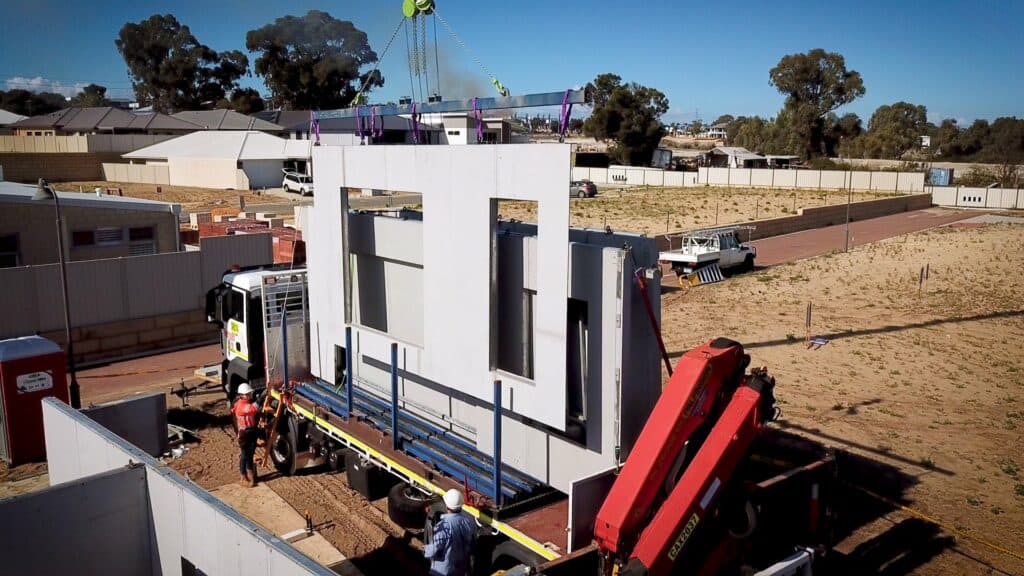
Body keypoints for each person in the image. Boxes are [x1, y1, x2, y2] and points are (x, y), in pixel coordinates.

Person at [424, 488, 477, 576]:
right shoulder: (469, 522)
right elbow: (472, 543)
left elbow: (435, 549)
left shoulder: (443, 526)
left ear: (447, 506)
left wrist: (426, 549)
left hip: (443, 571)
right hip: (460, 569)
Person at [231, 383, 259, 487]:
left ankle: (246, 475)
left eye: (249, 393)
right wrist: (260, 400)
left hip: (248, 432)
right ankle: (246, 475)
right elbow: (253, 409)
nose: (249, 395)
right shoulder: (242, 406)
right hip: (245, 434)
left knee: (247, 455)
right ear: (242, 395)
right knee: (246, 455)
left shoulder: (242, 402)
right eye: (247, 394)